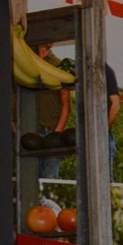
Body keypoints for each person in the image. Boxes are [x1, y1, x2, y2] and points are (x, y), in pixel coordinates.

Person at [35, 42, 71, 179]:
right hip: (30, 132)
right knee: (29, 178)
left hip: (51, 131)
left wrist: (57, 132)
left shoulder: (58, 65)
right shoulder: (27, 61)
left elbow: (66, 102)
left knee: (50, 179)